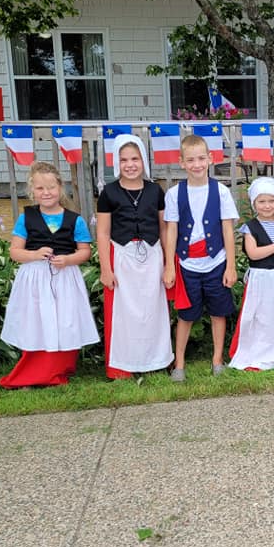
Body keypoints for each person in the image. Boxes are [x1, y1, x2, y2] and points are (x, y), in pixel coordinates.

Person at [0, 162, 99, 388]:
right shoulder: (26, 218)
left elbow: (85, 251)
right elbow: (14, 252)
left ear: (60, 188)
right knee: (39, 321)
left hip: (65, 278)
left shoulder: (75, 219)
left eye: (51, 187)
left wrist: (68, 259)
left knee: (64, 320)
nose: (46, 193)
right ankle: (35, 369)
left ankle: (59, 367)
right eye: (40, 188)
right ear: (32, 190)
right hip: (35, 279)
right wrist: (34, 254)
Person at [96, 134, 174, 379]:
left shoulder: (155, 191)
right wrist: (105, 269)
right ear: (116, 163)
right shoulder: (108, 193)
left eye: (135, 159)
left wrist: (168, 263)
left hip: (151, 255)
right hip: (122, 256)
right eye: (124, 160)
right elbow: (102, 232)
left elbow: (164, 228)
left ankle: (157, 359)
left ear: (143, 160)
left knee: (153, 310)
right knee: (125, 312)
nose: (130, 164)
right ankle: (123, 364)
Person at [162, 134, 238, 381]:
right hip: (187, 265)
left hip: (216, 262)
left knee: (218, 312)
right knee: (186, 315)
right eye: (191, 160)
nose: (197, 164)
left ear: (211, 159)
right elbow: (171, 229)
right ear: (181, 162)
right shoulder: (174, 193)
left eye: (201, 158)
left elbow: (227, 228)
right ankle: (179, 363)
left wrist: (231, 266)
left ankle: (217, 359)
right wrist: (169, 266)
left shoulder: (221, 191)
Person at [228, 177, 274, 371]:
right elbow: (253, 253)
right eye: (261, 201)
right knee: (258, 316)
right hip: (260, 278)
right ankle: (254, 353)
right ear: (254, 204)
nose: (267, 206)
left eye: (271, 201)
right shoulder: (250, 227)